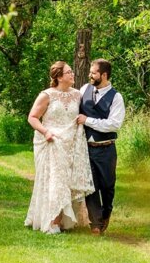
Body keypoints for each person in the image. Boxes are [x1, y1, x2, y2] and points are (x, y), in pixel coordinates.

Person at [24, 61, 95, 234]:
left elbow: (86, 114)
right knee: (57, 181)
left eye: (72, 71)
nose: (72, 74)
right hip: (52, 142)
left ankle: (66, 221)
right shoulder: (46, 95)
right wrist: (46, 132)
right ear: (59, 77)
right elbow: (32, 117)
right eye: (69, 72)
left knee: (68, 182)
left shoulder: (78, 95)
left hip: (72, 144)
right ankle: (53, 222)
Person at [76, 58, 125, 235]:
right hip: (86, 148)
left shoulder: (116, 97)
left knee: (107, 186)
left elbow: (114, 124)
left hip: (106, 149)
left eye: (93, 73)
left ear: (104, 75)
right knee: (90, 186)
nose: (90, 75)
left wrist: (88, 120)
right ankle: (95, 224)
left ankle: (106, 214)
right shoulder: (84, 90)